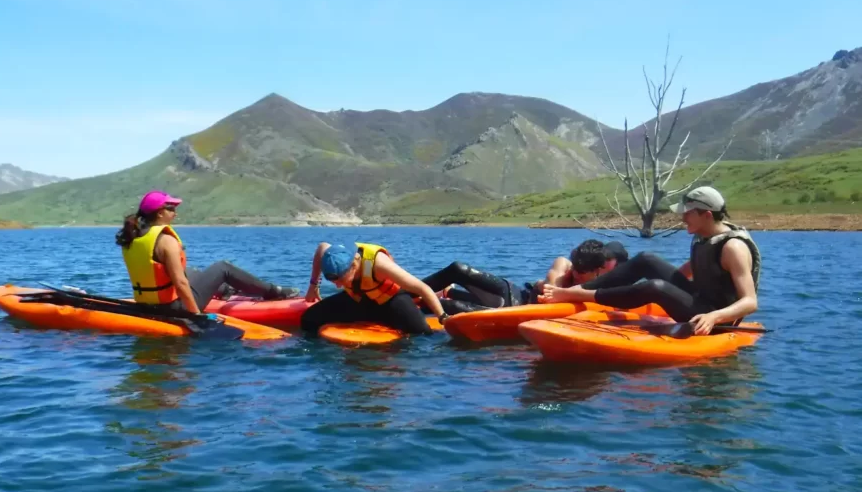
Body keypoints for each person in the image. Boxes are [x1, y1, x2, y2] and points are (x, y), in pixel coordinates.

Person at [540, 186, 760, 335]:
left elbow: (750, 302)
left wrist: (713, 317)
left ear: (707, 215)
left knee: (655, 287)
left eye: (688, 213)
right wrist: (662, 293)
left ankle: (575, 294)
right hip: (700, 299)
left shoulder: (734, 248)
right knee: (647, 259)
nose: (682, 218)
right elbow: (699, 266)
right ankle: (580, 289)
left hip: (713, 317)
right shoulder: (704, 235)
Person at [116, 190, 299, 315]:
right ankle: (272, 291)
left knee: (192, 271)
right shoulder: (166, 241)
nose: (175, 213)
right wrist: (195, 315)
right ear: (159, 213)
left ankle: (225, 290)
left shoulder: (132, 238)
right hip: (173, 308)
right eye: (171, 208)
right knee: (222, 268)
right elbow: (180, 284)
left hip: (148, 305)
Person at [420, 239, 629, 313]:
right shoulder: (563, 264)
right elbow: (550, 292)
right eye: (576, 269)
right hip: (515, 295)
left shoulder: (601, 284)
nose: (576, 273)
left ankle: (447, 295)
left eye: (582, 273)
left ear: (598, 270)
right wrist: (546, 285)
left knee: (450, 307)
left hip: (514, 311)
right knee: (459, 269)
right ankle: (408, 290)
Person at [300, 241, 449, 334]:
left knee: (422, 333)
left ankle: (426, 307)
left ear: (353, 266)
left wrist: (443, 318)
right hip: (361, 300)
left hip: (391, 301)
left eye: (342, 280)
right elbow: (322, 248)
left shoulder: (379, 265)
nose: (338, 285)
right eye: (334, 282)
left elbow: (422, 288)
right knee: (309, 319)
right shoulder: (333, 255)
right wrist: (313, 285)